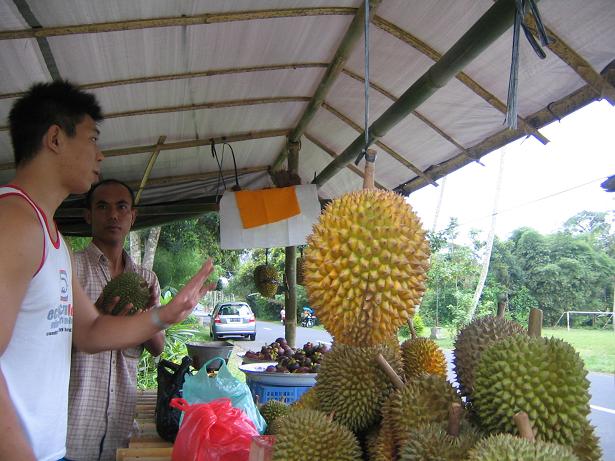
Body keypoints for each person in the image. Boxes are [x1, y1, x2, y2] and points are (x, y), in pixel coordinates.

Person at [0, 81, 214, 461]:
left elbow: (89, 331)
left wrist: (166, 313)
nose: (100, 155)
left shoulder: (52, 238)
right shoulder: (13, 222)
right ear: (54, 138)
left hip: (54, 450)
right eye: (92, 138)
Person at [65, 179, 164, 460]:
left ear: (132, 216)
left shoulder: (146, 279)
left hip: (121, 426)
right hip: (74, 425)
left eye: (122, 207)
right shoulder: (71, 268)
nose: (113, 215)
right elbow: (53, 340)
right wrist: (95, 320)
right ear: (88, 216)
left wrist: (147, 318)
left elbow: (158, 348)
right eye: (102, 207)